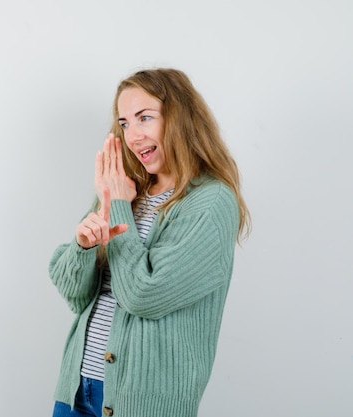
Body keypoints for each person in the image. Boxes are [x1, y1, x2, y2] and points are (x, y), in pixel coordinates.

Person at [49, 68, 250, 417]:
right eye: (124, 123)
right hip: (78, 390)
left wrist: (120, 208)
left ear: (181, 119)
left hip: (143, 403)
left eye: (145, 118)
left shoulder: (210, 202)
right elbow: (76, 295)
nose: (132, 134)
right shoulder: (128, 192)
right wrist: (83, 247)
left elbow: (144, 295)